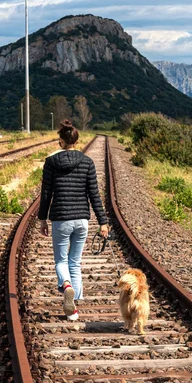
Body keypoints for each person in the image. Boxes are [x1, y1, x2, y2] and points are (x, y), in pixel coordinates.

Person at [38, 120, 108, 321]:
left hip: (61, 218)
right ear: (77, 140)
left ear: (61, 141)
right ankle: (73, 309)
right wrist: (103, 222)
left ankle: (66, 285)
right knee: (75, 262)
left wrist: (43, 219)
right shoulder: (87, 162)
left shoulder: (51, 162)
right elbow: (94, 194)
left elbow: (46, 194)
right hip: (82, 220)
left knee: (61, 260)